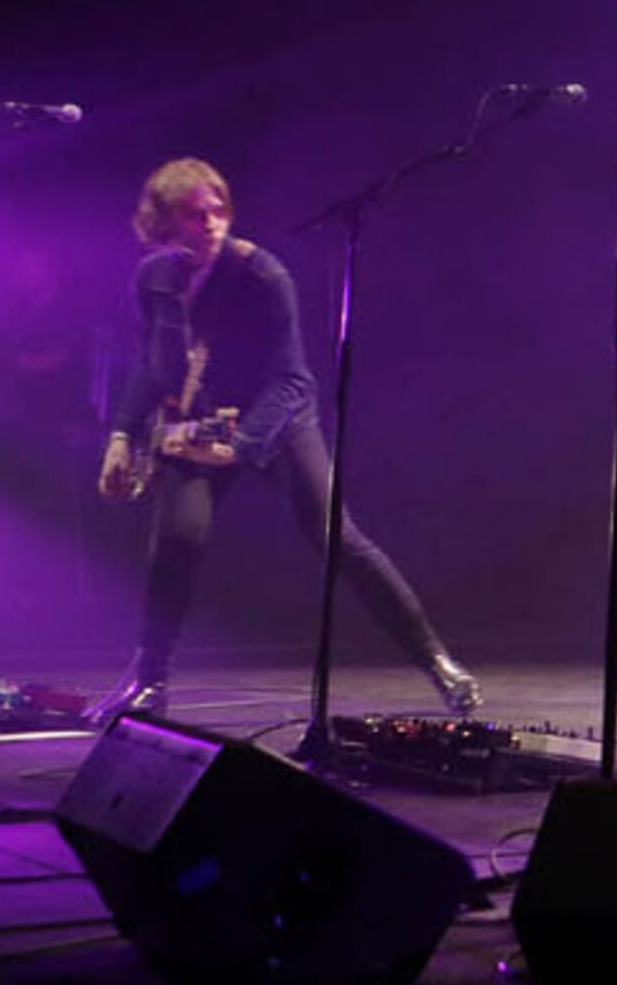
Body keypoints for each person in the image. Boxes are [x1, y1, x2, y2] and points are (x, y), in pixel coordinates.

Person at [92, 159, 476, 724]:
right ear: (164, 225)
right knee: (178, 537)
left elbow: (292, 378)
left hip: (276, 418)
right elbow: (154, 369)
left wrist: (242, 446)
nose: (213, 223)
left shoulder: (261, 275)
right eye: (196, 215)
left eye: (219, 209)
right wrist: (123, 434)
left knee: (336, 536)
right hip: (201, 424)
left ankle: (440, 663)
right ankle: (149, 682)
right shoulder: (154, 280)